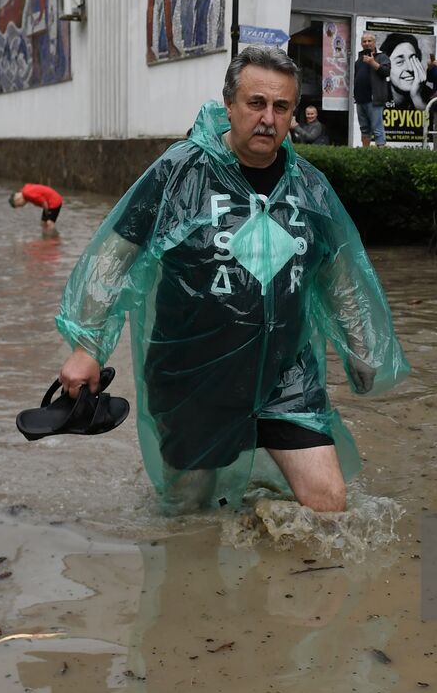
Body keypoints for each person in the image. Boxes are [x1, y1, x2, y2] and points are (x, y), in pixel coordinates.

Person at [54, 46, 410, 514]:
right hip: (194, 373)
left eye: (281, 107)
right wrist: (87, 346)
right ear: (229, 105)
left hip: (286, 372)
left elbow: (338, 270)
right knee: (190, 511)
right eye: (255, 103)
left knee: (328, 504)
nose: (268, 118)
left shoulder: (309, 187)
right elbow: (114, 258)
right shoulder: (179, 173)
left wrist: (360, 345)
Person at [352, 32, 390, 147]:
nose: (367, 43)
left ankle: (381, 156)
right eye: (364, 41)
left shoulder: (382, 56)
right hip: (360, 99)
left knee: (377, 129)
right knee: (364, 129)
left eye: (369, 41)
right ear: (361, 43)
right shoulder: (359, 59)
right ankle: (365, 155)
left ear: (374, 43)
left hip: (374, 99)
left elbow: (386, 72)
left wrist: (373, 63)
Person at [381, 33, 431, 111]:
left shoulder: (428, 94)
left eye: (413, 60)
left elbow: (432, 121)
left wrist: (416, 97)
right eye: (400, 62)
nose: (410, 68)